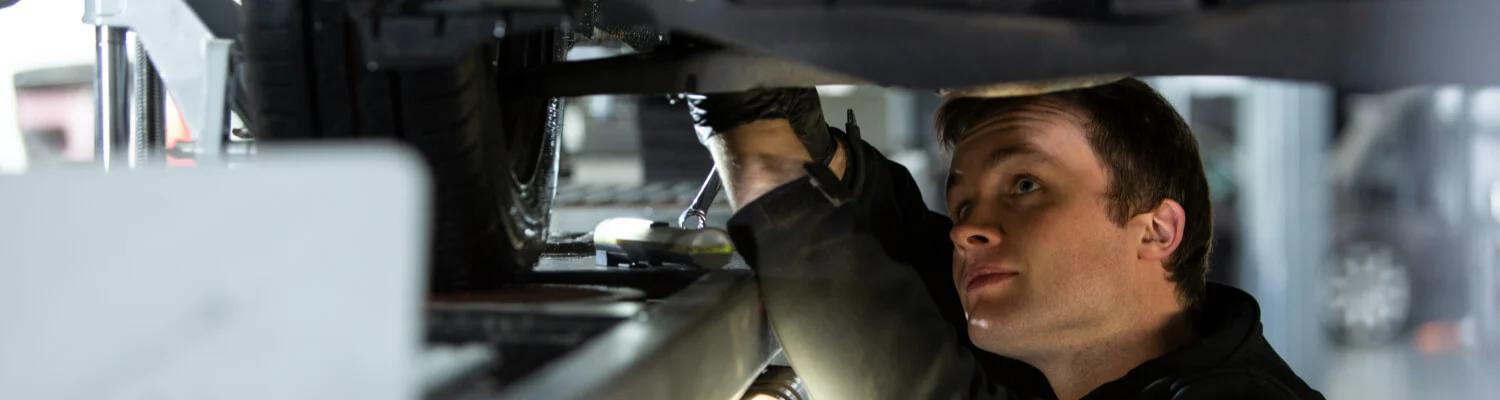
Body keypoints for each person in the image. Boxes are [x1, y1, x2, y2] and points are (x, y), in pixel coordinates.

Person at [684, 78, 1325, 399]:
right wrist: (799, 140)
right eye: (962, 200)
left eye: (1025, 185)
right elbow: (902, 237)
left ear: (1156, 230)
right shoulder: (1062, 368)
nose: (966, 229)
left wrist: (759, 145)